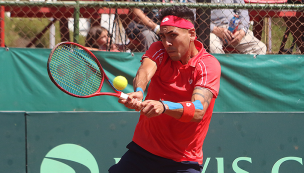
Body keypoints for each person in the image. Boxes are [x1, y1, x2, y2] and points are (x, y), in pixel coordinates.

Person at [108, 5, 221, 173]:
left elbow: (198, 110)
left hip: (183, 160)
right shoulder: (159, 49)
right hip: (143, 153)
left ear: (191, 34)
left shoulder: (208, 65)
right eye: (162, 36)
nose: (166, 43)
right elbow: (145, 71)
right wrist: (139, 91)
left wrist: (164, 106)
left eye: (173, 35)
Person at [122, 0, 195, 52]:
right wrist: (156, 28)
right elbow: (136, 12)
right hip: (149, 27)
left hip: (176, 27)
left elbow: (189, 17)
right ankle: (149, 65)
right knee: (148, 35)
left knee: (181, 35)